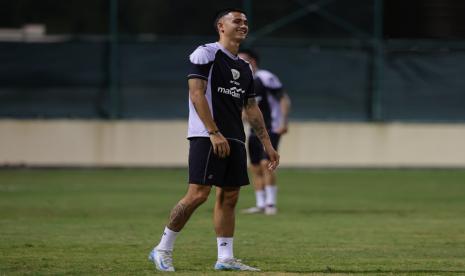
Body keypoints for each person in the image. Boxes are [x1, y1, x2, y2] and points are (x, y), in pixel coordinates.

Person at [148, 8, 279, 272]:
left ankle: (225, 258)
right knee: (198, 194)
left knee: (230, 197)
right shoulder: (206, 53)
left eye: (245, 22)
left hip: (235, 138)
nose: (243, 25)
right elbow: (197, 94)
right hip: (206, 136)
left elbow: (251, 109)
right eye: (236, 21)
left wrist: (267, 144)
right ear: (221, 26)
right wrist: (213, 132)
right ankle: (162, 249)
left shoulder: (245, 67)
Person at [238, 49, 291, 215]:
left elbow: (283, 98)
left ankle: (271, 204)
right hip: (255, 130)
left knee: (266, 164)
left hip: (271, 127)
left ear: (252, 62)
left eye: (242, 61)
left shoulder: (265, 77)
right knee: (254, 167)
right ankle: (260, 204)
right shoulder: (242, 82)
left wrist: (284, 121)